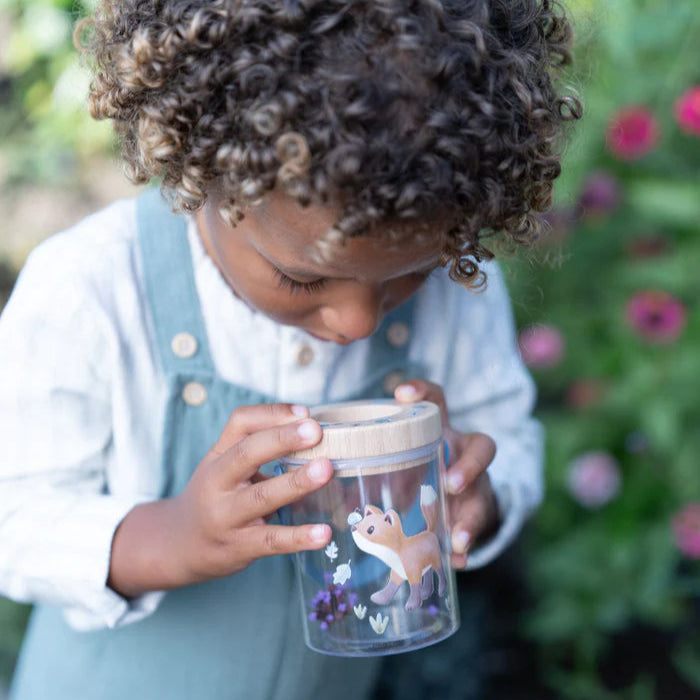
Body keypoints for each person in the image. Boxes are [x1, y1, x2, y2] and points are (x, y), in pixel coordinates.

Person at [0, 1, 580, 698]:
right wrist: (171, 536)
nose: (357, 321)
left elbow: (508, 435)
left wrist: (475, 490)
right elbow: (16, 516)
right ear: (204, 168)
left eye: (408, 275)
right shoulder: (93, 289)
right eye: (301, 277)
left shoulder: (462, 288)